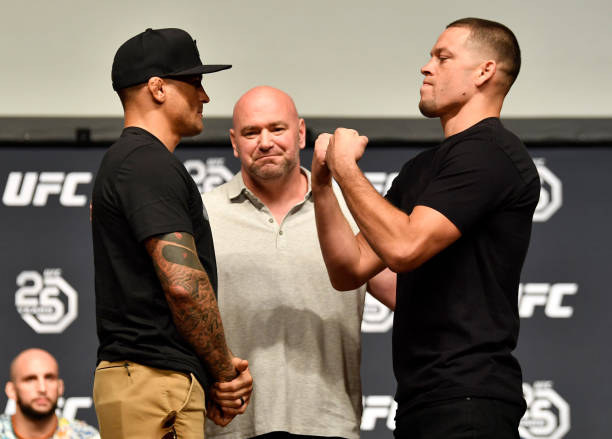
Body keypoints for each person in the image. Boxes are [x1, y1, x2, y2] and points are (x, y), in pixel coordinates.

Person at [312, 18, 540, 439]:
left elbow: (404, 247)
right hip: (421, 398)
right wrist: (323, 186)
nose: (426, 67)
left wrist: (345, 168)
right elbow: (350, 268)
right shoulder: (422, 169)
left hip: (471, 397)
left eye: (443, 57)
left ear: (484, 71)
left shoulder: (491, 152)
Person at [203, 86, 396, 439]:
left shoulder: (348, 209)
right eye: (251, 132)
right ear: (234, 142)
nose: (265, 142)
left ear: (301, 133)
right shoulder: (201, 215)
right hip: (232, 428)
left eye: (277, 129)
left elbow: (406, 294)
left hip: (329, 423)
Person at [91, 28, 252, 438]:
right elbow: (183, 284)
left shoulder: (133, 162)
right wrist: (223, 373)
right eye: (195, 83)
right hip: (150, 381)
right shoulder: (146, 164)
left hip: (150, 379)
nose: (205, 96)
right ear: (157, 88)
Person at [1, 348, 99, 439]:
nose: (42, 388)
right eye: (30, 379)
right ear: (11, 390)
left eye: (49, 378)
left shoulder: (87, 436)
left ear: (60, 387)